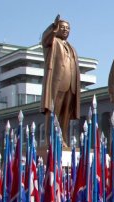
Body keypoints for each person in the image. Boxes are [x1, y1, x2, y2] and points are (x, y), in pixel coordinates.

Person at [40, 15, 82, 146]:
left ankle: (62, 138)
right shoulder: (52, 43)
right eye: (62, 27)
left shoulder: (72, 48)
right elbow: (45, 39)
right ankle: (51, 140)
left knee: (65, 115)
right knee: (53, 113)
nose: (65, 30)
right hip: (56, 84)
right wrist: (53, 26)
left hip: (70, 86)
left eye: (68, 28)